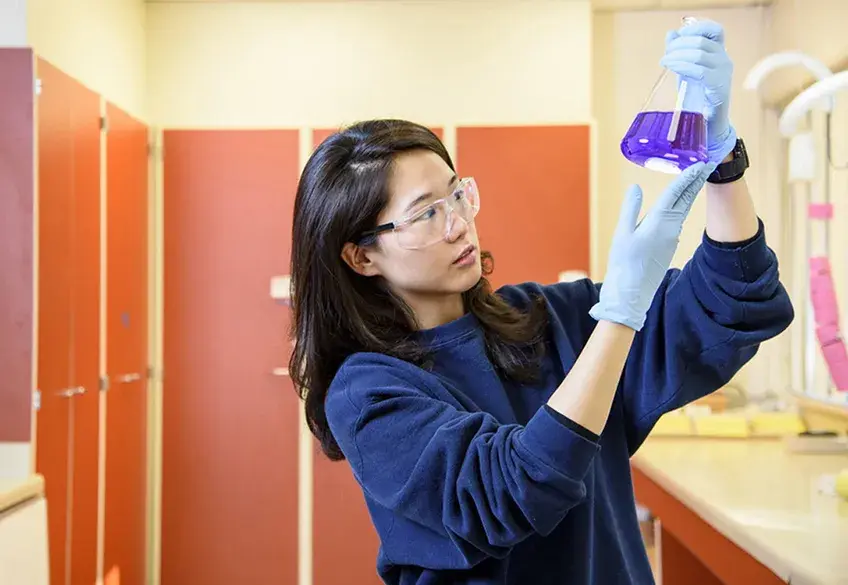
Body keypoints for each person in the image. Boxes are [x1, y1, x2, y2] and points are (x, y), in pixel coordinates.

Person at [289, 20, 793, 585]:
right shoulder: (368, 392)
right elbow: (510, 493)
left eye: (458, 193)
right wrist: (621, 312)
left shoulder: (549, 319)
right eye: (428, 212)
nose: (460, 225)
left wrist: (721, 159)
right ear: (361, 257)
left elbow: (731, 301)